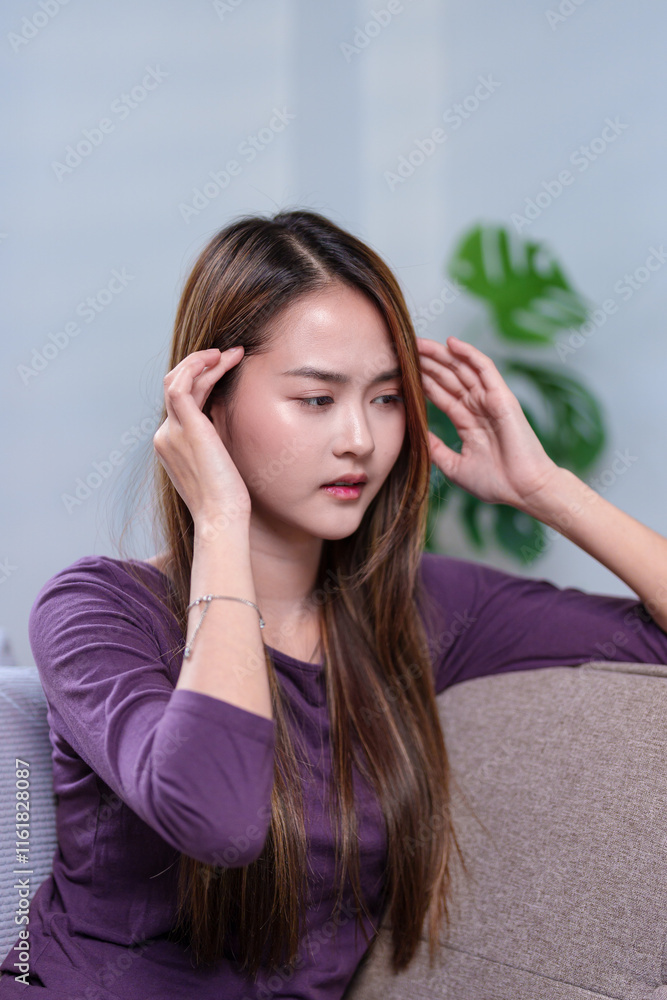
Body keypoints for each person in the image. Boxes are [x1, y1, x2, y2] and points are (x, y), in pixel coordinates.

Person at [2, 208, 667, 1000]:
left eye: (387, 398)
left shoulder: (418, 607)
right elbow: (218, 819)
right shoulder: (97, 610)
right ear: (209, 403)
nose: (360, 437)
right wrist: (219, 521)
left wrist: (545, 489)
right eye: (317, 399)